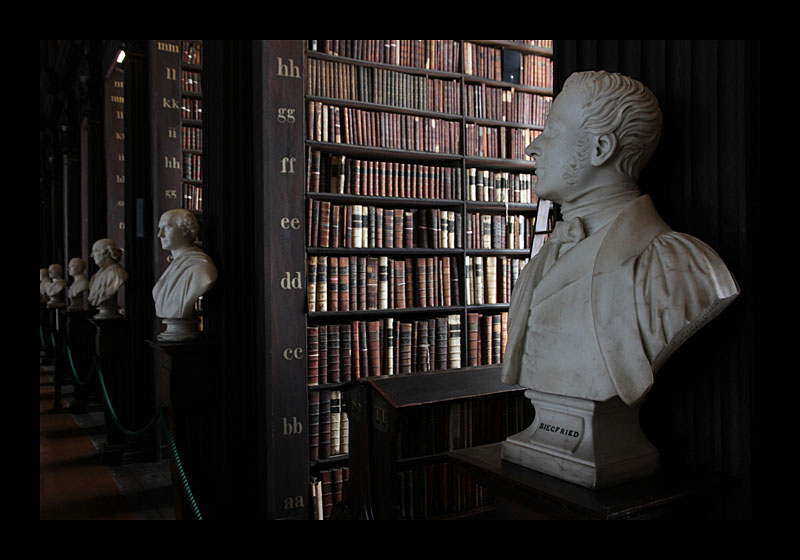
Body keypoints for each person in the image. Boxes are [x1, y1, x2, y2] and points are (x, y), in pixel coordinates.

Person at [500, 71, 739, 407]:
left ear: (601, 148)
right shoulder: (545, 258)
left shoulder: (680, 268)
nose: (532, 147)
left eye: (551, 131)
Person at [152, 209, 217, 322]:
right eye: (159, 228)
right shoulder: (174, 266)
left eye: (167, 227)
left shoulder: (200, 268)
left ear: (185, 230)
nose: (160, 234)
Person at [88, 238, 128, 315]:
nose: (92, 255)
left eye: (95, 251)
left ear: (106, 253)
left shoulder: (117, 274)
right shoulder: (97, 275)